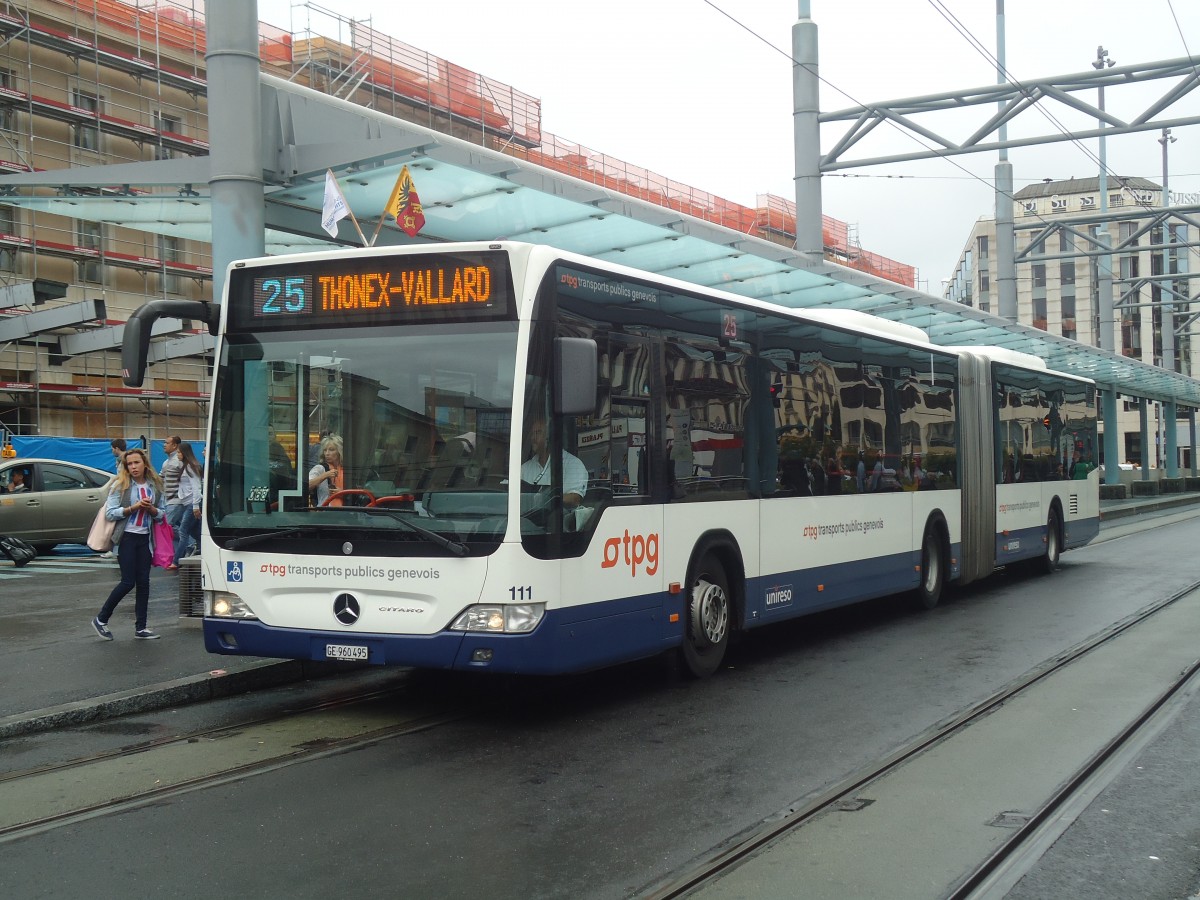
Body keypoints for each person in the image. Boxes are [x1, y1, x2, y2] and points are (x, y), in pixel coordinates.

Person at [91, 447, 166, 641]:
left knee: (144, 583)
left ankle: (141, 628)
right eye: (129, 464)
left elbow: (162, 514)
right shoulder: (120, 485)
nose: (133, 467)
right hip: (126, 538)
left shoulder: (155, 485)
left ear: (145, 464)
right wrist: (132, 508)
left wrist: (151, 509)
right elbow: (110, 513)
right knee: (127, 582)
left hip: (145, 539)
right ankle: (101, 619)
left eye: (136, 463)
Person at [520, 418, 588, 508]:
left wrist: (547, 499)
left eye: (538, 433)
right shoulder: (525, 468)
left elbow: (575, 499)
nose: (533, 438)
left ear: (550, 437)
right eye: (532, 434)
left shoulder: (574, 464)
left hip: (558, 520)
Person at [169, 442, 204, 569]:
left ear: (184, 453)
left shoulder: (190, 467)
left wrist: (195, 506)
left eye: (179, 452)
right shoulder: (186, 466)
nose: (177, 455)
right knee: (195, 532)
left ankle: (176, 561)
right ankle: (203, 552)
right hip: (188, 503)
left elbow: (196, 487)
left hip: (191, 503)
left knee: (183, 531)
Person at [160, 435, 185, 540]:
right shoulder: (166, 462)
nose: (164, 445)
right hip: (168, 500)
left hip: (177, 500)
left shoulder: (179, 461)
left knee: (167, 525)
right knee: (188, 527)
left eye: (167, 443)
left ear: (175, 445)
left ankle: (189, 543)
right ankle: (192, 544)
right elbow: (160, 478)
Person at [308, 434, 345, 506]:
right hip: (325, 512)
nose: (327, 453)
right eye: (325, 450)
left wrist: (343, 493)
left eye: (331, 450)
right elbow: (306, 486)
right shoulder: (320, 468)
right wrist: (325, 475)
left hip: (348, 511)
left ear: (339, 451)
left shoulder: (348, 470)